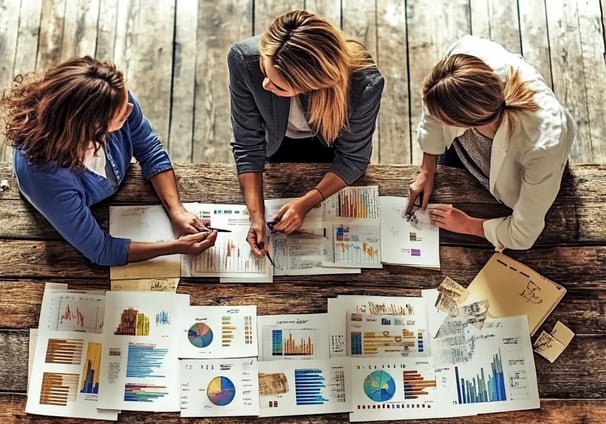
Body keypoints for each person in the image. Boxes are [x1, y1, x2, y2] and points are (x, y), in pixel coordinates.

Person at [1, 56, 217, 266]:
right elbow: (101, 250)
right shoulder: (45, 177)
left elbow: (150, 150)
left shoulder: (113, 97)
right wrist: (175, 247)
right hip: (62, 213)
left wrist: (177, 210)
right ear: (89, 127)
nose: (131, 110)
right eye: (122, 114)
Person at [228, 9, 384, 256]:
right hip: (276, 144)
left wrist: (307, 202)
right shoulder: (243, 60)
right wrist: (256, 216)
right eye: (265, 71)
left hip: (332, 147)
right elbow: (248, 144)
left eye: (278, 85)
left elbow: (353, 158)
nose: (265, 85)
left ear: (312, 87)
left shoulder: (365, 84)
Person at [407, 35, 576, 251]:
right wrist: (427, 171)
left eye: (443, 119)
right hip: (465, 153)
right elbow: (432, 110)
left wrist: (467, 225)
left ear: (464, 122)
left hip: (513, 186)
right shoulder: (464, 56)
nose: (434, 119)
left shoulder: (544, 146)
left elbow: (523, 235)